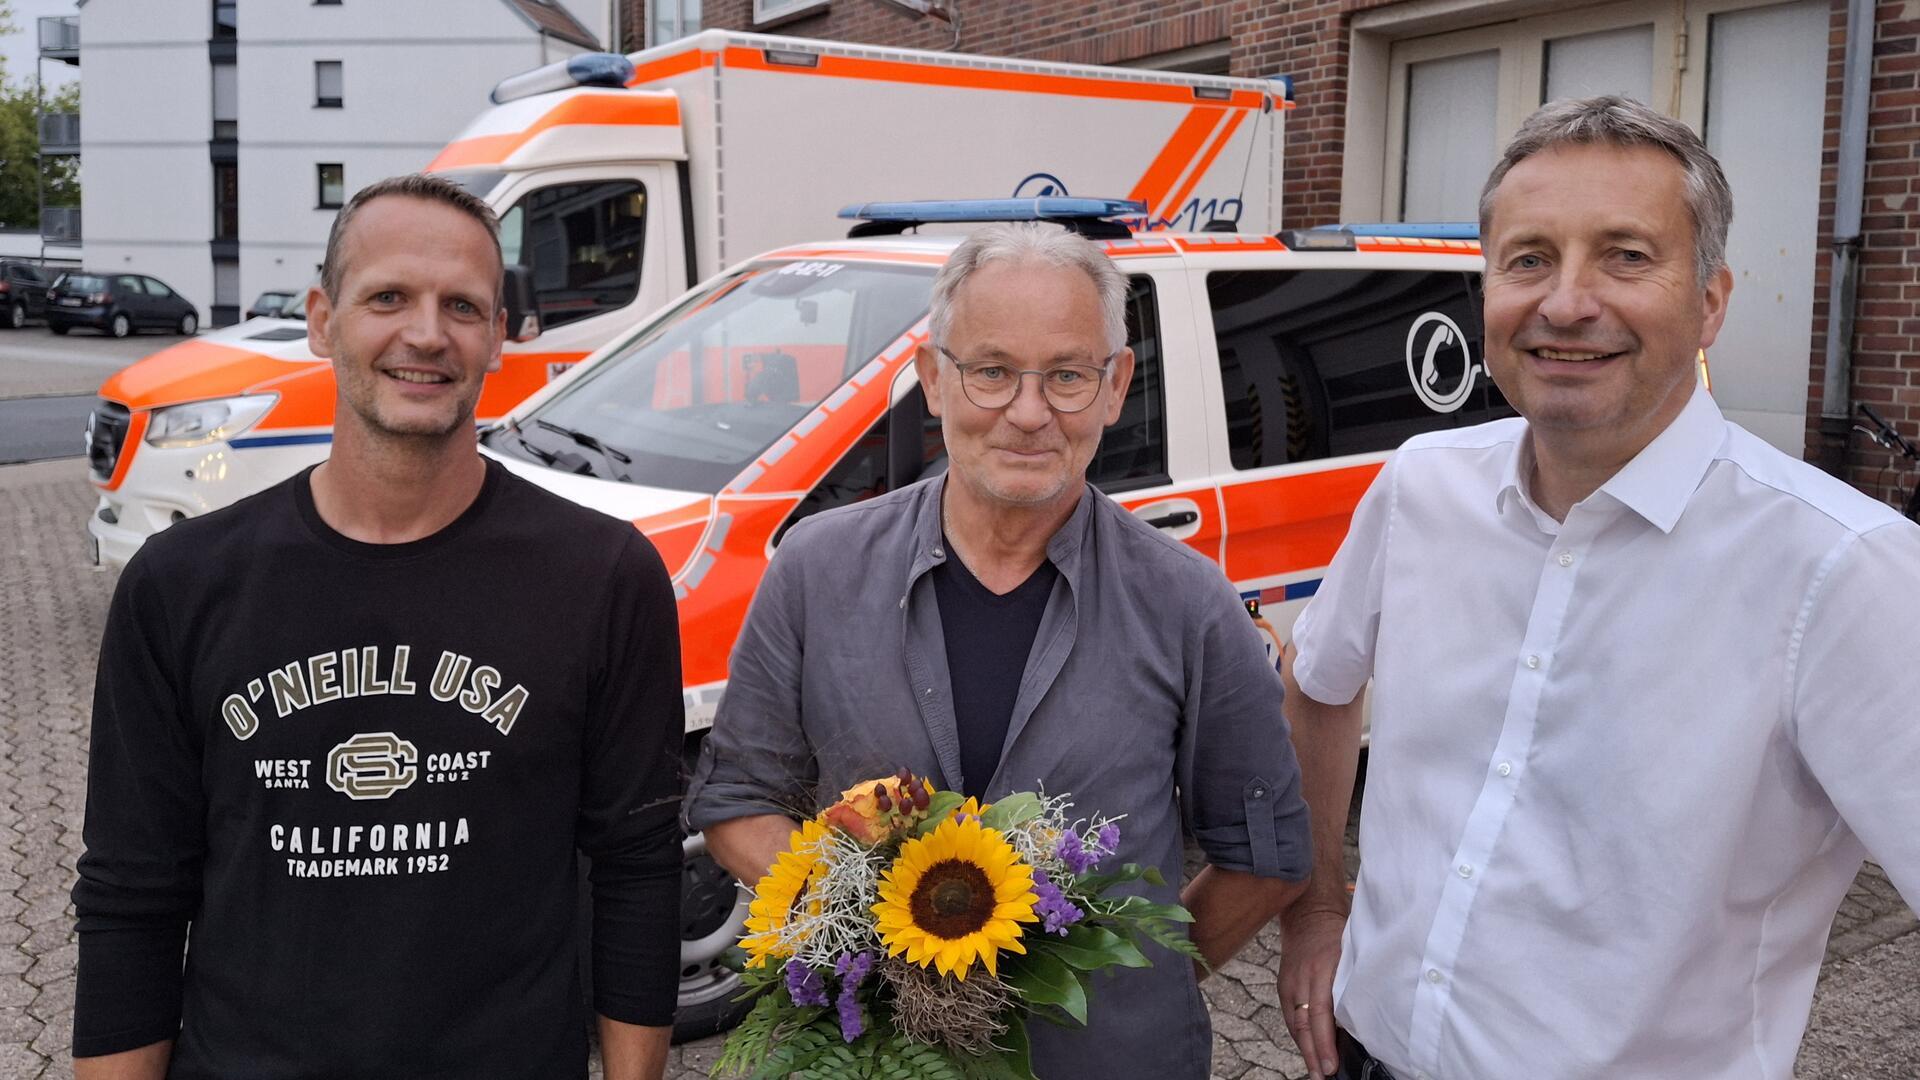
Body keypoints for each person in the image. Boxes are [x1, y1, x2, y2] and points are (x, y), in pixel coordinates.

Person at [1274, 95, 1920, 1080]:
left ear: (1711, 300)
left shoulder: (1841, 569)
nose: (1566, 302)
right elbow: (1319, 684)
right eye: (1529, 258)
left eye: (1625, 255)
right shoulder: (1419, 486)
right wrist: (1318, 908)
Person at [71, 174, 685, 1080]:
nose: (427, 334)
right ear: (323, 320)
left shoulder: (604, 577)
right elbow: (133, 896)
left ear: (501, 336)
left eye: (463, 306)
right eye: (388, 297)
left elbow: (637, 865)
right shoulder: (181, 585)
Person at [685, 221, 1311, 1078]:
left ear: (1116, 384)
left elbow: (1265, 858)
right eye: (991, 372)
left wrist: (1108, 978)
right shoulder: (816, 570)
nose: (1028, 412)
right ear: (933, 381)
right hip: (876, 1057)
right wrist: (874, 941)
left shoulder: (1187, 603)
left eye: (1066, 375)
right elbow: (737, 800)